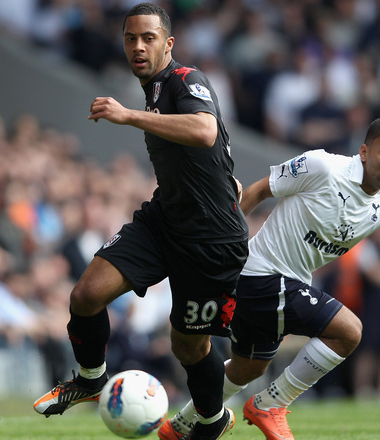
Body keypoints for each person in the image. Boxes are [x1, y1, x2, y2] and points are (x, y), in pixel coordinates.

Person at [159, 117, 380, 440]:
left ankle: (182, 424)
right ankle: (271, 404)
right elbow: (258, 192)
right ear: (364, 151)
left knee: (248, 369)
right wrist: (223, 251)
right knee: (349, 331)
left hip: (286, 283)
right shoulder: (322, 166)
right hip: (259, 273)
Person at [33, 4, 249, 440]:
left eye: (148, 38)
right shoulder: (152, 91)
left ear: (168, 44)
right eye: (131, 38)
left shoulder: (186, 79)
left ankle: (211, 420)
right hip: (163, 220)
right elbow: (212, 153)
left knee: (188, 344)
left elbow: (206, 131)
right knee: (87, 293)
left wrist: (127, 115)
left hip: (211, 242)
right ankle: (92, 379)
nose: (138, 46)